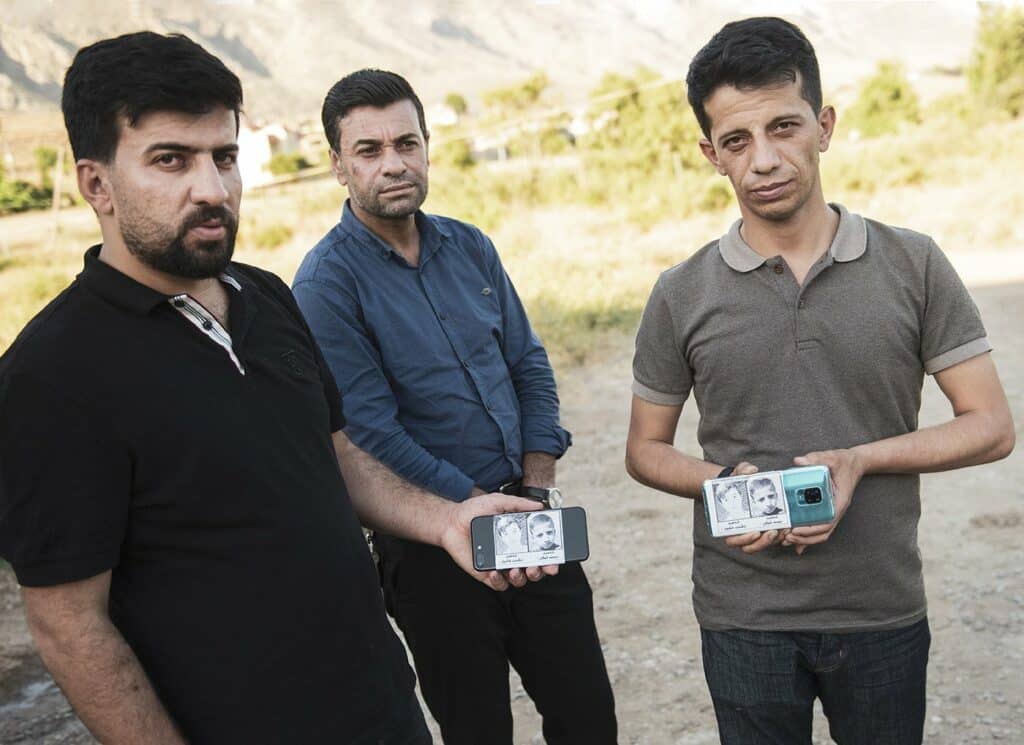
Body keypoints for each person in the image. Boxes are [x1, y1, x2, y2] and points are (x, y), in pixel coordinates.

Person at [0, 33, 550, 745]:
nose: (212, 188)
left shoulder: (263, 296)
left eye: (223, 157)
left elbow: (337, 456)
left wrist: (448, 520)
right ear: (96, 184)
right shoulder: (52, 374)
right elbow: (69, 623)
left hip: (383, 708)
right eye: (171, 159)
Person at [624, 16, 1014, 745]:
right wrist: (719, 484)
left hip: (881, 608)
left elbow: (991, 424)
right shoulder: (680, 292)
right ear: (711, 154)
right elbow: (645, 447)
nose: (765, 159)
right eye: (737, 141)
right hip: (743, 617)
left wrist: (860, 459)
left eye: (785, 127)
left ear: (824, 125)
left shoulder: (914, 263)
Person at [293, 69, 617, 745]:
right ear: (338, 166)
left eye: (406, 143)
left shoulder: (469, 245)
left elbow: (528, 363)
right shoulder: (326, 284)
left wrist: (533, 485)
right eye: (370, 150)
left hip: (528, 518)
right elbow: (370, 430)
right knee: (477, 729)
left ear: (427, 147)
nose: (394, 163)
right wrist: (469, 509)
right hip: (429, 548)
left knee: (588, 716)